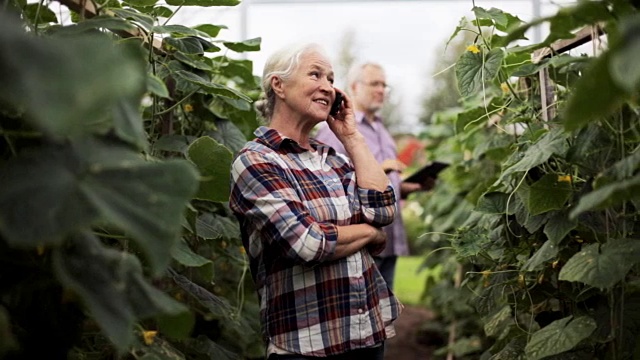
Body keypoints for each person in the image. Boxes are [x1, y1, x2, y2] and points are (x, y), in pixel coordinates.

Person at [228, 43, 403, 360]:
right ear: (278, 85)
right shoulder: (256, 161)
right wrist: (370, 235)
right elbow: (308, 243)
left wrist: (352, 137)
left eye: (331, 78)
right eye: (315, 74)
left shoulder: (334, 158)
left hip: (366, 333)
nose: (328, 87)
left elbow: (382, 210)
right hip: (307, 344)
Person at [315, 62, 432, 291]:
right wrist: (380, 169)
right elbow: (326, 183)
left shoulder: (382, 129)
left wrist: (410, 187)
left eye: (384, 85)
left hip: (389, 238)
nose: (381, 90)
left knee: (386, 318)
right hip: (361, 242)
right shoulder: (334, 129)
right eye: (374, 84)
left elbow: (387, 185)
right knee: (362, 317)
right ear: (355, 87)